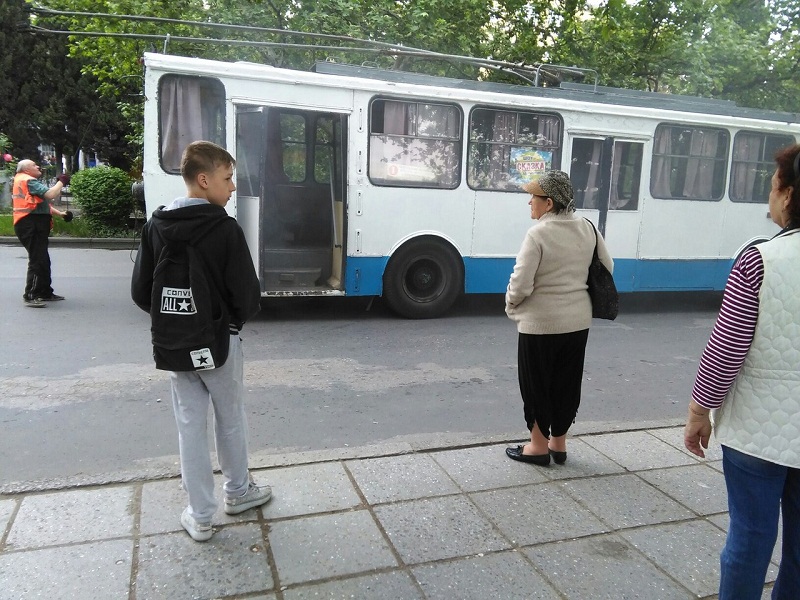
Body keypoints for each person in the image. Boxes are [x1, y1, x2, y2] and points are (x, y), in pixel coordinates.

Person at [131, 141, 270, 542]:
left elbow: (142, 293)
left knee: (189, 426)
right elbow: (247, 296)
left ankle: (200, 516)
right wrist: (228, 324)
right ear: (204, 179)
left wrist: (177, 323)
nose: (231, 189)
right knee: (230, 417)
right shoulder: (224, 229)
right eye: (227, 180)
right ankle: (239, 492)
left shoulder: (156, 226)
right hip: (220, 345)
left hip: (175, 347)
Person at [684, 143, 800, 599]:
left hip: (758, 429)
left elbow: (725, 351)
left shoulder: (760, 259)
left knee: (751, 538)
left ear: (789, 195)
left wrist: (699, 413)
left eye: (774, 186)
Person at [504, 170, 613, 466]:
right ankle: (559, 445)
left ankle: (537, 447)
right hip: (577, 322)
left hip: (539, 324)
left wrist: (511, 303)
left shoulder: (538, 233)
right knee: (566, 382)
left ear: (549, 203)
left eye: (533, 197)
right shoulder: (587, 227)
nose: (529, 202)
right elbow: (607, 266)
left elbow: (521, 282)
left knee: (536, 383)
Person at [12, 159, 71, 308]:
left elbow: (41, 203)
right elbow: (51, 194)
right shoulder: (28, 180)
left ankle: (44, 291)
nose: (38, 166)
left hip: (30, 223)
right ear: (26, 169)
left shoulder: (24, 180)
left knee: (43, 259)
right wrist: (61, 181)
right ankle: (31, 294)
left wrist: (61, 214)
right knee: (37, 259)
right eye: (34, 165)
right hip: (30, 224)